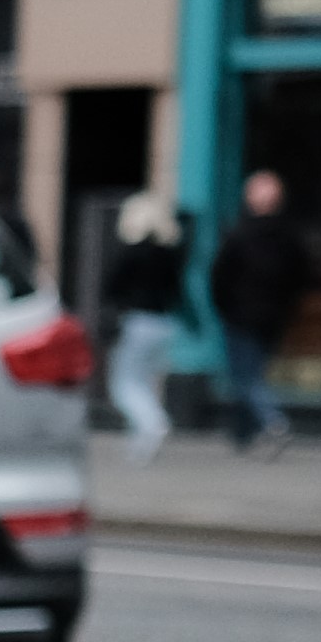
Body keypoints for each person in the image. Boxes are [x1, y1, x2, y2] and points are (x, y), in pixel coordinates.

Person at [207, 166, 309, 458]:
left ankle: (273, 422)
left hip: (243, 317)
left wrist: (226, 309)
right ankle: (243, 432)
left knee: (247, 377)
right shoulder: (288, 238)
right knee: (251, 374)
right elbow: (301, 278)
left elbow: (220, 278)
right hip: (269, 318)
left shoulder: (240, 234)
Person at [106, 190, 188, 462]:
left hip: (138, 320)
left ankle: (153, 423)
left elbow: (111, 287)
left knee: (124, 384)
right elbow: (178, 291)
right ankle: (140, 445)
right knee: (146, 382)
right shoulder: (169, 254)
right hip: (165, 323)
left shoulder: (132, 253)